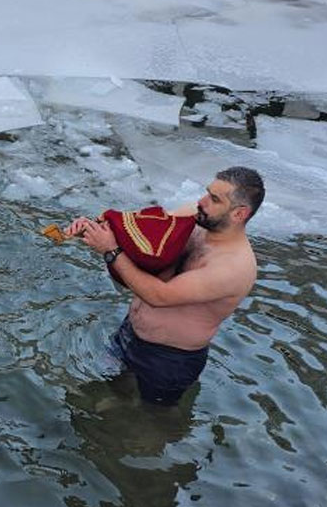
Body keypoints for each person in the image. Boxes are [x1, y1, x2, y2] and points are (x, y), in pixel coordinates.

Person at [68, 166, 264, 405]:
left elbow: (159, 296)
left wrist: (110, 250)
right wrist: (95, 229)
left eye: (214, 199)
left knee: (149, 426)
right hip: (128, 334)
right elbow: (141, 240)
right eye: (207, 192)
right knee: (108, 394)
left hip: (168, 361)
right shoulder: (196, 218)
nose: (201, 202)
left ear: (239, 214)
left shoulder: (233, 266)